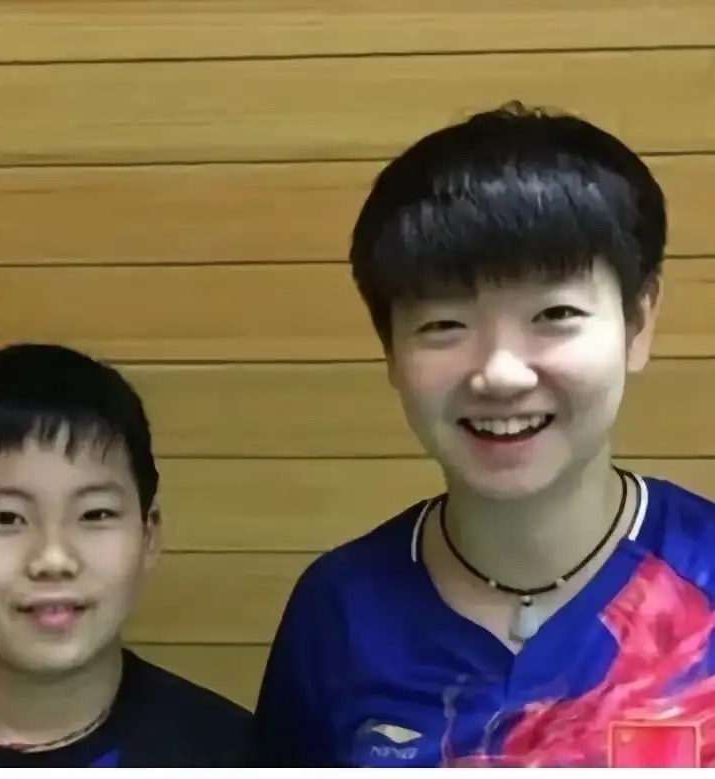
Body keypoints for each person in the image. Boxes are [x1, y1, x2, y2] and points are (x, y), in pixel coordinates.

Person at [253, 103, 715, 767]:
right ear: (391, 350)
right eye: (444, 324)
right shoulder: (340, 609)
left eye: (554, 313)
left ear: (638, 323)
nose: (500, 373)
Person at [0, 343, 254, 767]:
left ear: (148, 534)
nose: (54, 558)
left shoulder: (233, 755)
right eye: (6, 517)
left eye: (95, 514)